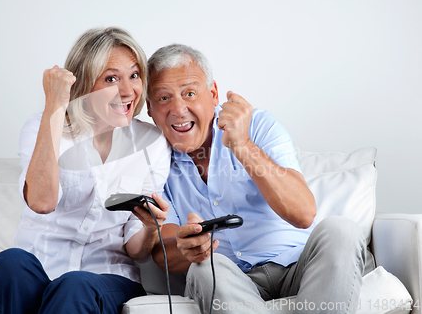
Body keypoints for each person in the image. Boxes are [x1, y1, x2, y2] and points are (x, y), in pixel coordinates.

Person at [147, 44, 366, 314]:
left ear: (213, 94)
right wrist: (186, 247)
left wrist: (242, 145)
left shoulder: (258, 125)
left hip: (300, 267)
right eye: (164, 98)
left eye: (189, 93)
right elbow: (162, 251)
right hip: (232, 280)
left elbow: (303, 213)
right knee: (204, 269)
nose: (178, 109)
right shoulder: (153, 160)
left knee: (342, 231)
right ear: (149, 108)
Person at [0, 27, 171, 314]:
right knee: (9, 263)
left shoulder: (152, 144)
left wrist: (149, 227)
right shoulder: (43, 127)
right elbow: (42, 202)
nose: (127, 90)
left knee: (74, 285)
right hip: (39, 273)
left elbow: (136, 249)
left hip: (105, 280)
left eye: (134, 75)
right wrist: (55, 106)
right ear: (84, 82)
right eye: (111, 78)